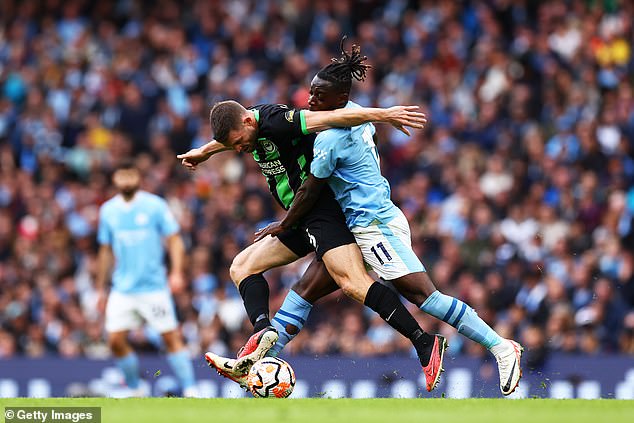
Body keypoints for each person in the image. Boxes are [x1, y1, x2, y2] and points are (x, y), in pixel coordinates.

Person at [253, 40, 524, 396]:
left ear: (338, 99)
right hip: (364, 221)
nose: (311, 101)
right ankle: (263, 359)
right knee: (305, 289)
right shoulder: (355, 113)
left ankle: (500, 347)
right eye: (311, 93)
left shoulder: (331, 138)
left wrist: (284, 225)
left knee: (424, 295)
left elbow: (309, 191)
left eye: (319, 96)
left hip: (372, 225)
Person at [178, 95, 448, 391]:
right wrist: (205, 151)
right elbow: (231, 138)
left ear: (247, 122)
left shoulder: (280, 122)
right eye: (233, 146)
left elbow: (332, 118)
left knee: (353, 283)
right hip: (297, 218)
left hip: (322, 212)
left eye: (239, 141)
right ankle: (262, 332)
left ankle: (424, 342)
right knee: (241, 266)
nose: (239, 149)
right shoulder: (246, 126)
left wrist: (384, 114)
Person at [96, 160, 198, 397]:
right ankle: (135, 387)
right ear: (115, 179)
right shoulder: (108, 211)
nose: (126, 180)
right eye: (122, 175)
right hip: (122, 289)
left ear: (138, 178)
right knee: (114, 341)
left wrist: (176, 272)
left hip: (153, 287)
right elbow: (105, 251)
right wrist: (101, 288)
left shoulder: (155, 206)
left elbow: (174, 240)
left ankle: (191, 388)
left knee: (170, 337)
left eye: (130, 175)